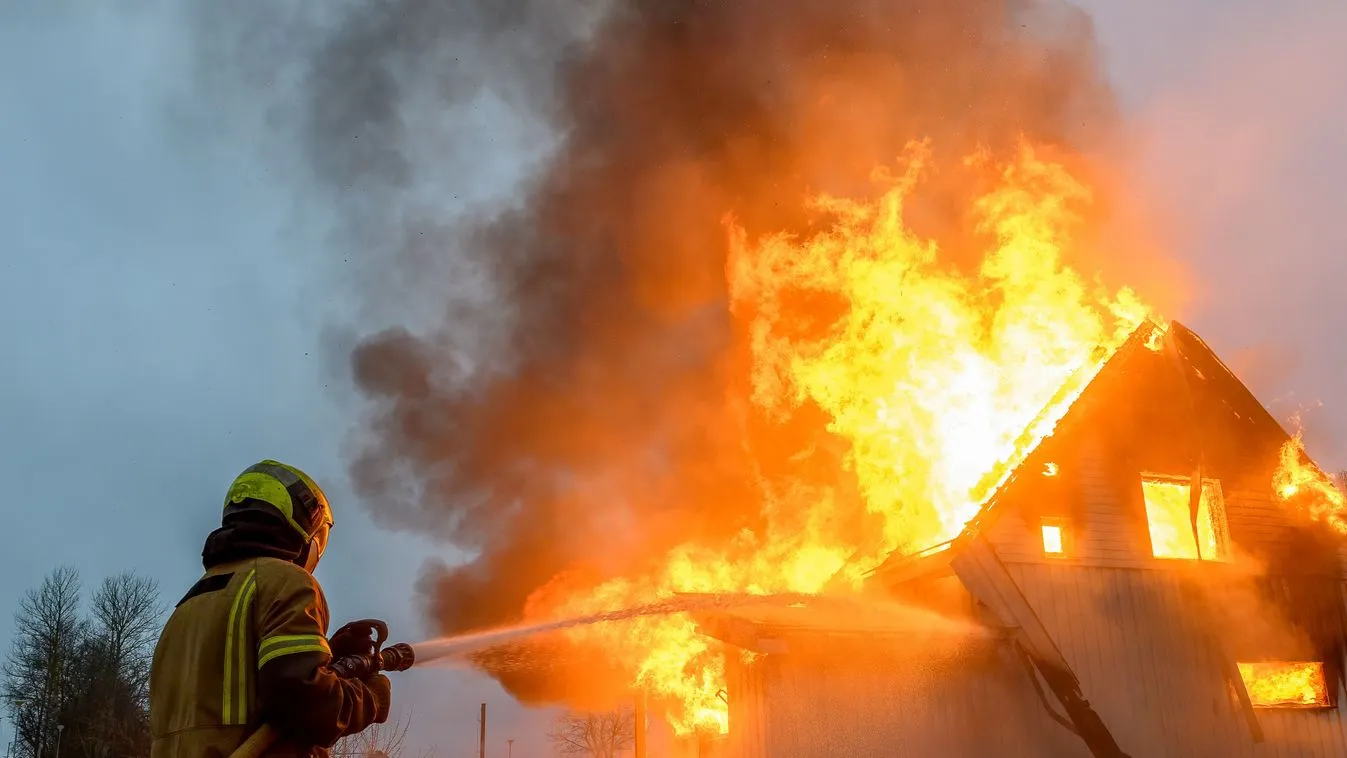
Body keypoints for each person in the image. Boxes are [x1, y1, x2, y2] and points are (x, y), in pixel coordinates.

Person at [150, 460, 392, 757]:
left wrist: (326, 656)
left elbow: (244, 688)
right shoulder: (285, 581)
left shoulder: (185, 609)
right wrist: (371, 700)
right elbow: (302, 702)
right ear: (306, 528)